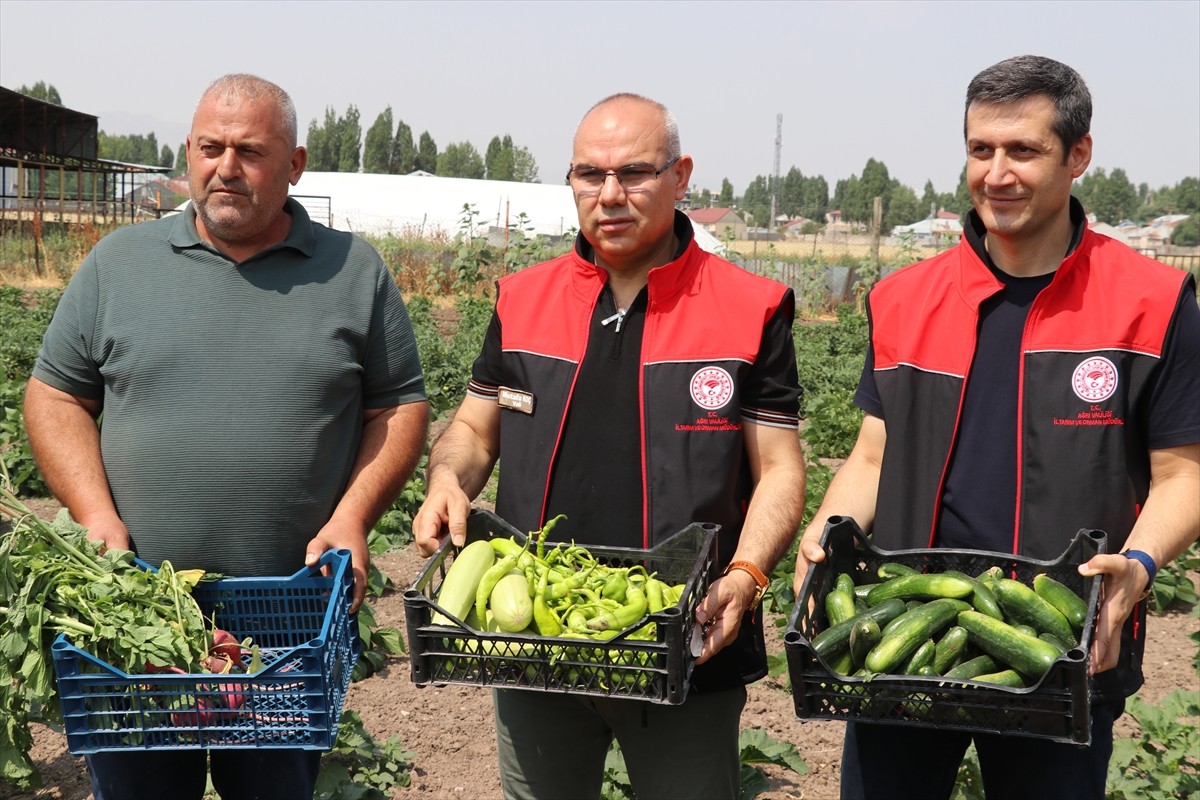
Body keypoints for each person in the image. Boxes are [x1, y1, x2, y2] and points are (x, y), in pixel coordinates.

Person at [793, 54, 1200, 800]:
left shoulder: (1152, 300)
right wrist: (830, 525)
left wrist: (1137, 570)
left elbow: (1184, 476)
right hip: (908, 633)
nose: (997, 173)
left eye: (1024, 150)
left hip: (1064, 642)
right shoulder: (904, 299)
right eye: (981, 150)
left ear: (1078, 155)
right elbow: (872, 456)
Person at [23, 73, 429, 800]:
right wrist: (95, 516)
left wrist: (354, 517)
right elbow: (55, 393)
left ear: (295, 164)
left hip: (287, 622)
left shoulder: (352, 272)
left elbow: (397, 407)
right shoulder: (121, 264)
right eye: (210, 148)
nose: (226, 167)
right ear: (188, 152)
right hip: (134, 615)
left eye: (251, 151)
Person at [412, 92, 806, 800]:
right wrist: (448, 480)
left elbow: (778, 470)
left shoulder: (751, 308)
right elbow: (473, 429)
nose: (610, 195)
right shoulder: (522, 299)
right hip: (532, 633)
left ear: (681, 176)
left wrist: (746, 576)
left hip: (685, 638)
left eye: (635, 173)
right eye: (590, 175)